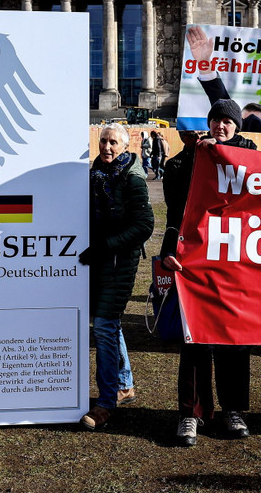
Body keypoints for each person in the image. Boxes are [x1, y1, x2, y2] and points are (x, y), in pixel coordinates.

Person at [160, 100, 258, 446]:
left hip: (236, 261)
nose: (221, 126)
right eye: (216, 120)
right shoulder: (185, 162)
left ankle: (234, 409)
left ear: (236, 127)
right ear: (208, 123)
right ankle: (191, 413)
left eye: (228, 122)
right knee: (195, 340)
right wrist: (168, 251)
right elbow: (175, 214)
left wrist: (225, 152)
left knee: (235, 338)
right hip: (196, 261)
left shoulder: (248, 154)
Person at [79, 124, 154, 430]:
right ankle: (124, 385)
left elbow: (144, 226)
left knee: (105, 325)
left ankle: (106, 402)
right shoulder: (95, 173)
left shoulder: (132, 177)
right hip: (100, 259)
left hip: (118, 261)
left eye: (113, 142)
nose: (107, 147)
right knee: (108, 322)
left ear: (125, 146)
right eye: (103, 141)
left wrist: (104, 246)